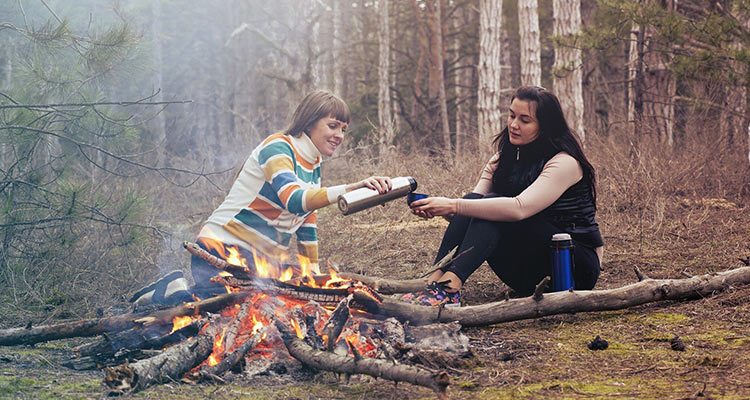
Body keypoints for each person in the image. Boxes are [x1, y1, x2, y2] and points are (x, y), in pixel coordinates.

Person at [132, 90, 392, 306]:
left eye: (344, 129)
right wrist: (350, 188)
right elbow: (295, 200)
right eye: (333, 126)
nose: (340, 136)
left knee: (277, 304)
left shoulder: (314, 164)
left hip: (258, 263)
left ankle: (182, 292)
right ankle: (170, 289)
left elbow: (306, 219)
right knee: (223, 309)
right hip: (220, 249)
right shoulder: (277, 147)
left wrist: (312, 271)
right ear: (309, 122)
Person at [403, 86, 603, 306]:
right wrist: (438, 208)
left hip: (572, 269)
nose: (513, 125)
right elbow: (470, 211)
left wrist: (452, 205)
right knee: (474, 201)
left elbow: (519, 208)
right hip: (527, 272)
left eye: (525, 120)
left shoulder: (564, 162)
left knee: (490, 207)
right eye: (511, 115)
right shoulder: (501, 159)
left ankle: (449, 289)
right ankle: (433, 284)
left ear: (546, 126)